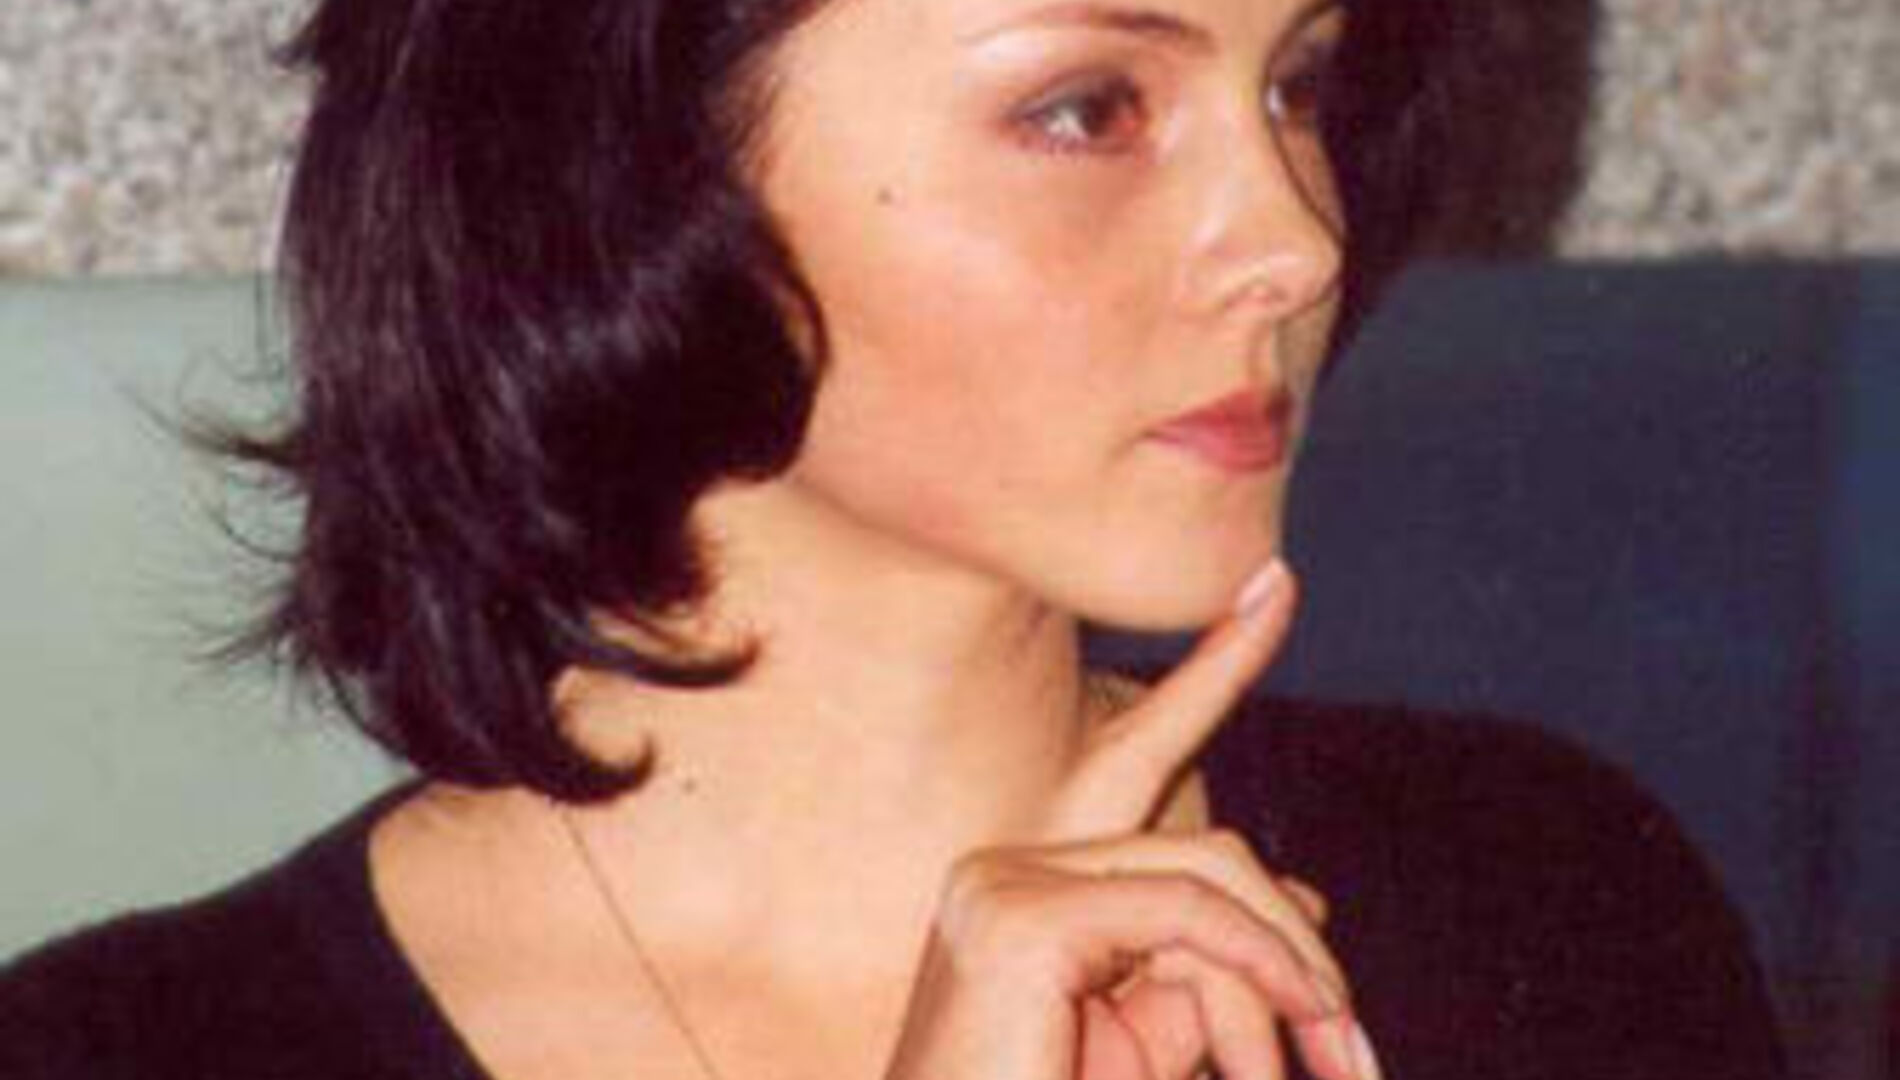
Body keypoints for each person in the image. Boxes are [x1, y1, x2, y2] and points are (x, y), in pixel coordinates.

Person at [0, 0, 1787, 1077]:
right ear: (633, 158)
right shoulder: (128, 1053)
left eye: (1296, 83)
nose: (1294, 242)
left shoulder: (1548, 897)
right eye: (1088, 108)